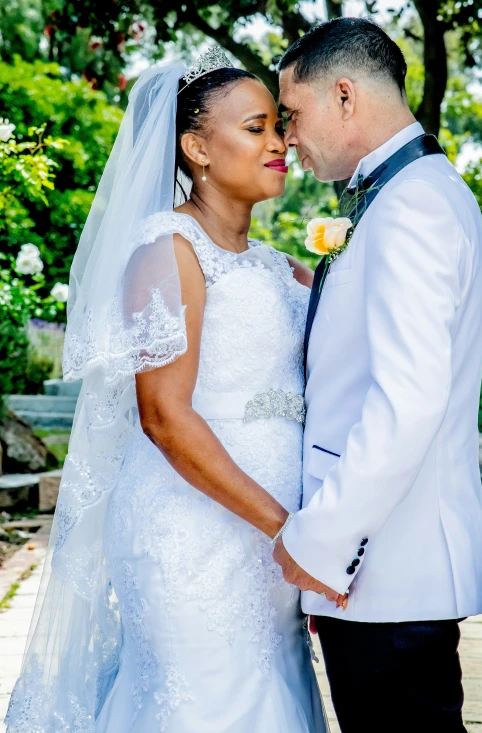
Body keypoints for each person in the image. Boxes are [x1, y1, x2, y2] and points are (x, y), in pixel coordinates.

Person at [5, 53, 333, 733]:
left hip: (270, 557)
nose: (279, 143)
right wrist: (287, 526)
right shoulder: (165, 249)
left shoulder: (281, 269)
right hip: (190, 538)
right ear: (196, 148)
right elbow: (163, 414)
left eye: (279, 126)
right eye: (256, 126)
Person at [273, 18, 482, 732]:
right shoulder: (411, 193)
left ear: (343, 96)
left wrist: (318, 541)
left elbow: (408, 399)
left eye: (293, 114)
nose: (288, 138)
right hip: (387, 577)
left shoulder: (413, 206)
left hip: (386, 574)